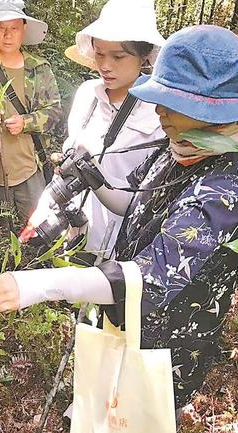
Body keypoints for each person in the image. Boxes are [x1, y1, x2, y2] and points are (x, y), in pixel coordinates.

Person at [0, 25, 238, 433]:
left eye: (173, 104)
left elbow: (148, 277)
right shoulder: (180, 148)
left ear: (211, 112)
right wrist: (94, 180)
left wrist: (39, 285)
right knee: (109, 400)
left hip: (170, 339)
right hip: (126, 318)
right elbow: (137, 203)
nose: (159, 112)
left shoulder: (225, 186)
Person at [62, 0, 166, 258]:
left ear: (144, 56)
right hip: (75, 230)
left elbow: (152, 193)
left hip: (121, 245)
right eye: (99, 54)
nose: (105, 65)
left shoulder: (159, 111)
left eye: (118, 56)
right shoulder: (87, 95)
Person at [0, 0, 62, 221]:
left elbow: (55, 112)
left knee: (38, 233)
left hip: (29, 169)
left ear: (23, 29)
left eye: (14, 28)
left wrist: (26, 122)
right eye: (1, 28)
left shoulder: (39, 68)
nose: (7, 35)